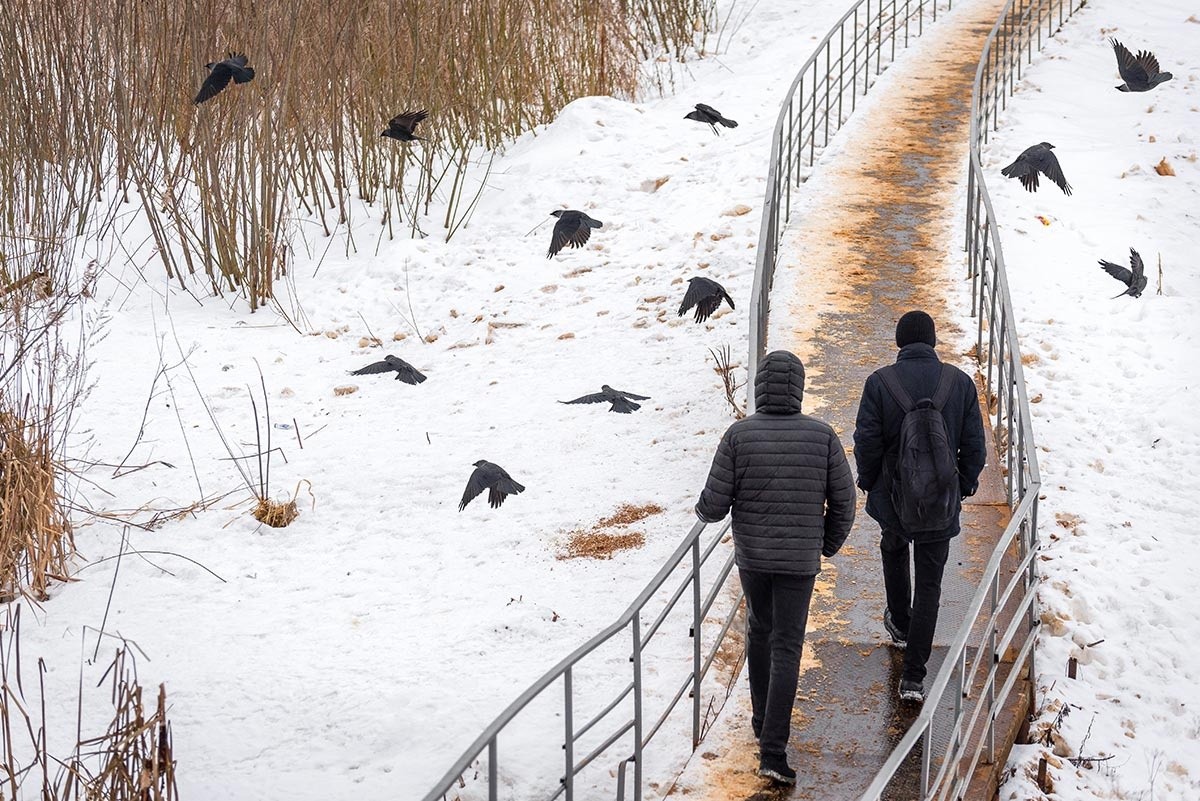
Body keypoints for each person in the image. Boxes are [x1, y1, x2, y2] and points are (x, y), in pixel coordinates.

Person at [695, 349, 856, 784]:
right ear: (799, 389)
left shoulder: (738, 436)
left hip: (753, 559)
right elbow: (845, 502)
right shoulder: (822, 437)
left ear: (760, 386)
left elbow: (712, 507)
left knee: (759, 633)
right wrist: (825, 545)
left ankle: (760, 720)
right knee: (788, 645)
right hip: (798, 564)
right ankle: (773, 749)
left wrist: (704, 505)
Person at [852, 311, 986, 703]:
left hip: (894, 498)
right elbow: (974, 446)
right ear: (932, 340)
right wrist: (962, 486)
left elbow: (867, 442)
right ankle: (913, 675)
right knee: (930, 584)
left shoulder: (880, 383)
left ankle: (900, 622)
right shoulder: (959, 383)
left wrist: (870, 483)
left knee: (893, 549)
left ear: (899, 342)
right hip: (940, 500)